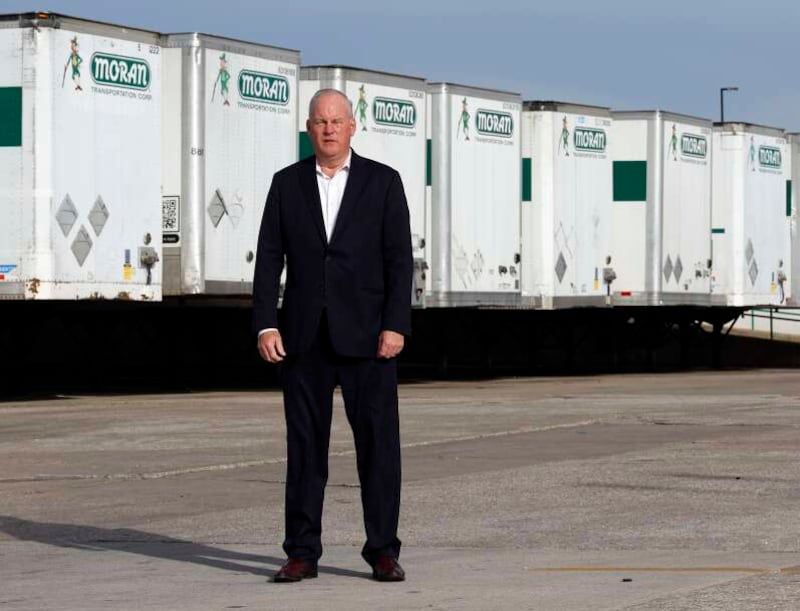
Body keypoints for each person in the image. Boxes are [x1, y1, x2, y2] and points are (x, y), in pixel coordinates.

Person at [252, 88, 413, 583]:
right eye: (319, 121)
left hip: (368, 338)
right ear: (308, 128)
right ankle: (302, 551)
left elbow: (399, 259)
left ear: (352, 127)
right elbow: (269, 257)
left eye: (336, 121)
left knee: (378, 448)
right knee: (305, 449)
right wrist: (265, 321)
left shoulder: (383, 183)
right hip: (303, 337)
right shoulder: (286, 184)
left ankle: (382, 550)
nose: (328, 129)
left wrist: (395, 324)